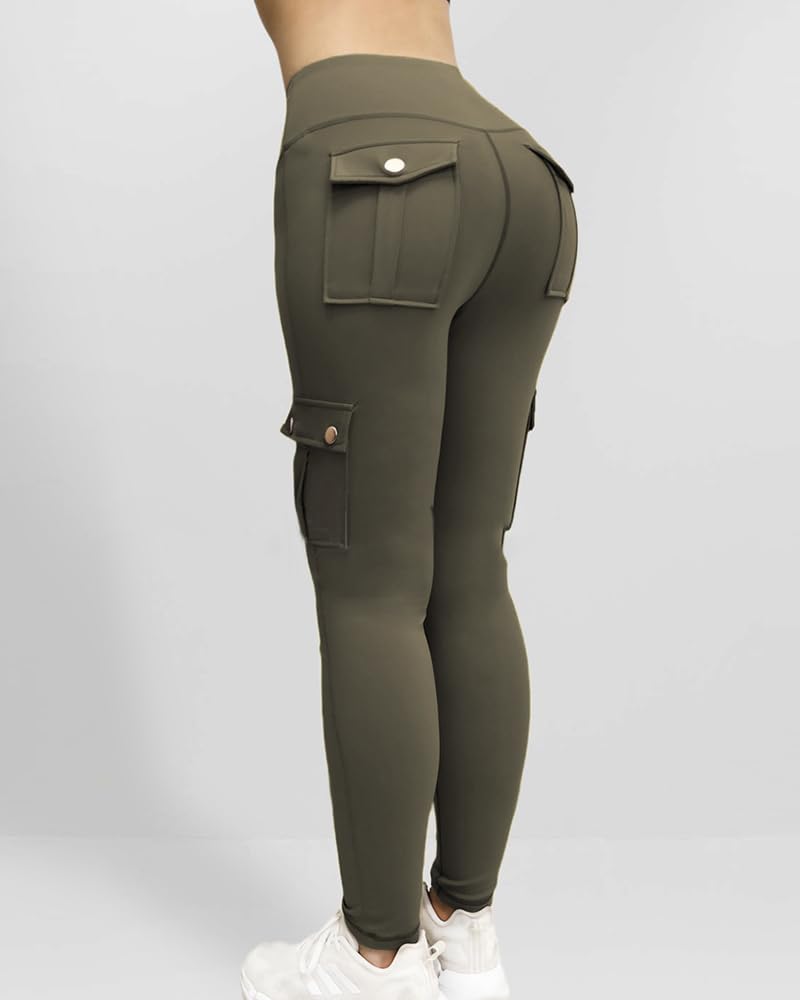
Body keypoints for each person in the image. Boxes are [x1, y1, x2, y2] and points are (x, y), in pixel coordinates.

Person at [241, 2, 578, 998]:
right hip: (524, 175)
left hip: (376, 163)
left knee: (371, 586)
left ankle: (373, 955)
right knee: (470, 566)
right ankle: (462, 934)